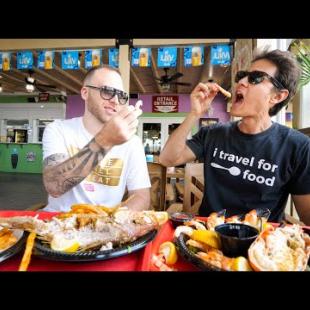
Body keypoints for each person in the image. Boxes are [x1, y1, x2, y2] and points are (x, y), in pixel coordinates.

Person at [159, 48, 310, 225]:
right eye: (243, 75)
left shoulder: (298, 146)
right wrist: (194, 113)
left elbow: (306, 217)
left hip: (261, 243)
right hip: (207, 235)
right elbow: (167, 159)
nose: (242, 82)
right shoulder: (213, 133)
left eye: (255, 78)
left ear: (277, 96)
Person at [42, 65, 151, 212]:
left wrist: (110, 222)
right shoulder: (58, 129)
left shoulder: (132, 142)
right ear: (85, 93)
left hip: (106, 228)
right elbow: (54, 186)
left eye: (121, 95)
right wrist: (105, 141)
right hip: (58, 224)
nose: (116, 100)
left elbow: (141, 197)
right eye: (107, 91)